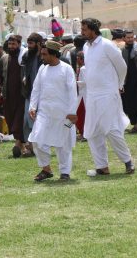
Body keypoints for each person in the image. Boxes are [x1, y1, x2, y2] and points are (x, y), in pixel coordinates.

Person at [81, 18, 135, 175]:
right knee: (92, 131)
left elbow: (122, 67)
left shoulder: (106, 45)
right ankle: (102, 167)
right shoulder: (86, 46)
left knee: (111, 129)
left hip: (107, 94)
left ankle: (128, 162)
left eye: (84, 29)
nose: (82, 32)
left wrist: (119, 85)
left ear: (92, 29)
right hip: (92, 95)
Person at [28, 40, 78, 181]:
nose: (41, 57)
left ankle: (65, 172)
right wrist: (32, 107)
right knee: (36, 140)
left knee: (63, 144)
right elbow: (36, 89)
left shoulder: (66, 69)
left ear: (53, 54)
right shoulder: (42, 69)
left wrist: (72, 112)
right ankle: (46, 169)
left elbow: (72, 92)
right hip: (44, 113)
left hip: (64, 114)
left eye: (44, 54)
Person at [0, 35, 26, 158]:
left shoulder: (23, 58)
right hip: (8, 97)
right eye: (10, 44)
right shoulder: (4, 59)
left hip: (21, 96)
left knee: (18, 121)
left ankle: (18, 144)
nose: (11, 47)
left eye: (14, 44)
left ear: (19, 44)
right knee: (11, 120)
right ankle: (22, 145)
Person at [21, 33, 43, 156]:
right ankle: (31, 146)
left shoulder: (44, 56)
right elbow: (24, 69)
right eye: (28, 43)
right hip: (30, 93)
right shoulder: (27, 56)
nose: (29, 46)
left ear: (38, 43)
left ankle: (38, 146)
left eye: (31, 43)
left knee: (38, 121)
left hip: (43, 94)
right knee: (27, 120)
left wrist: (40, 51)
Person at [76, 51, 86, 141]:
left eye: (78, 58)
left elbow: (85, 82)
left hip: (83, 95)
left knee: (80, 114)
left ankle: (83, 133)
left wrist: (75, 82)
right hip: (81, 95)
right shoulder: (82, 68)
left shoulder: (83, 69)